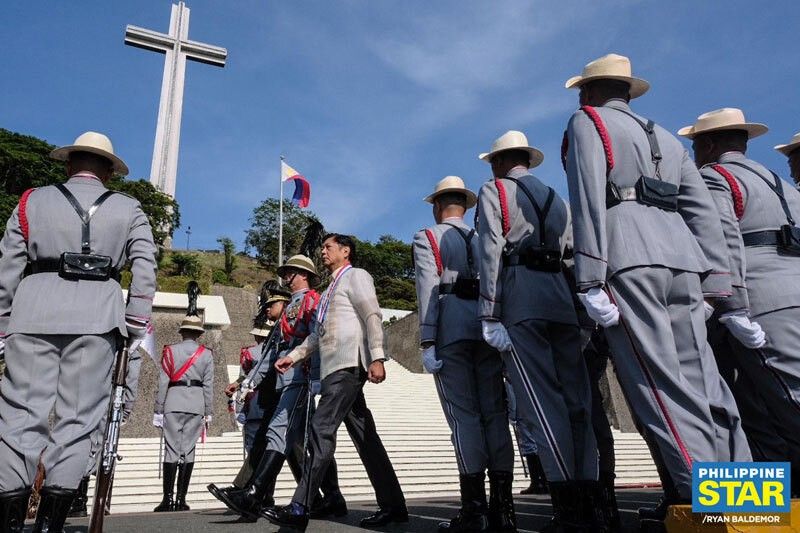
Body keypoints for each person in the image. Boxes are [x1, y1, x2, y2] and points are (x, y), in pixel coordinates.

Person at [562, 54, 751, 526]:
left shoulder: (588, 121)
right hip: (684, 260)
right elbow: (702, 213)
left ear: (588, 92)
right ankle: (752, 506)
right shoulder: (665, 135)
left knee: (660, 388)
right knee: (707, 384)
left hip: (628, 254)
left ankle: (715, 512)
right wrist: (715, 284)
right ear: (628, 91)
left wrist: (589, 277)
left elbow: (587, 196)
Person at [0, 131, 157, 532]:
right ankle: (53, 521)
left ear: (69, 164)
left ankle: (10, 516)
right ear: (109, 171)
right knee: (77, 418)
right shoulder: (129, 208)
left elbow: (8, 267)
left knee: (19, 413)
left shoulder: (30, 201)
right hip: (97, 317)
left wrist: (4, 320)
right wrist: (136, 320)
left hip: (32, 311)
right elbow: (144, 266)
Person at [476, 130, 602, 531]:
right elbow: (572, 255)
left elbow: (490, 251)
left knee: (542, 403)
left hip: (522, 297)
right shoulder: (555, 199)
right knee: (578, 402)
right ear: (527, 160)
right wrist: (582, 314)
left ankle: (567, 506)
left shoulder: (494, 191)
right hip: (562, 300)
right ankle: (591, 502)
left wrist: (490, 313)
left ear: (498, 161)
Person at [680, 107, 800, 488]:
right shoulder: (781, 183)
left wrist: (731, 305)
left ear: (709, 145)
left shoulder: (715, 177)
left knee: (788, 403)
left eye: (695, 147)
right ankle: (772, 500)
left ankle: (756, 503)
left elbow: (721, 240)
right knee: (760, 406)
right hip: (792, 290)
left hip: (760, 301)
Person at [265, 234, 406, 530]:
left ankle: (300, 505)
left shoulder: (356, 276)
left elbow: (372, 314)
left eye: (328, 247)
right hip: (332, 367)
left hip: (348, 364)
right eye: (323, 248)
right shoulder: (330, 289)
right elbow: (317, 335)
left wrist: (377, 356)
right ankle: (394, 506)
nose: (323, 252)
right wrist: (294, 356)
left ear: (346, 250)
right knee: (367, 439)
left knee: (320, 427)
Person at [412, 176, 516, 531]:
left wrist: (427, 342)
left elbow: (428, 290)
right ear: (467, 205)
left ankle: (474, 510)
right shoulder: (481, 237)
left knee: (464, 418)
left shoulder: (428, 237)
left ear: (437, 205)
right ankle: (504, 510)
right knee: (495, 415)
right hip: (488, 328)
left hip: (452, 328)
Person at [218, 255, 345, 521]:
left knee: (286, 435)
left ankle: (254, 493)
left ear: (304, 275)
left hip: (301, 376)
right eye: (286, 271)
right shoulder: (291, 307)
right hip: (284, 380)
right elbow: (270, 353)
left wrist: (317, 377)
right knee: (299, 441)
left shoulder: (312, 301)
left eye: (291, 272)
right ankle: (329, 497)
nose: (286, 276)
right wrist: (247, 383)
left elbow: (317, 338)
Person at [152, 303, 214, 513]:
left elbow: (163, 382)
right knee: (188, 450)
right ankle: (181, 499)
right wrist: (209, 411)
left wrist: (158, 408)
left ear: (183, 332)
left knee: (171, 449)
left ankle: (167, 499)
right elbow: (208, 385)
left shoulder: (170, 351)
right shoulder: (206, 354)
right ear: (198, 334)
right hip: (196, 403)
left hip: (173, 401)